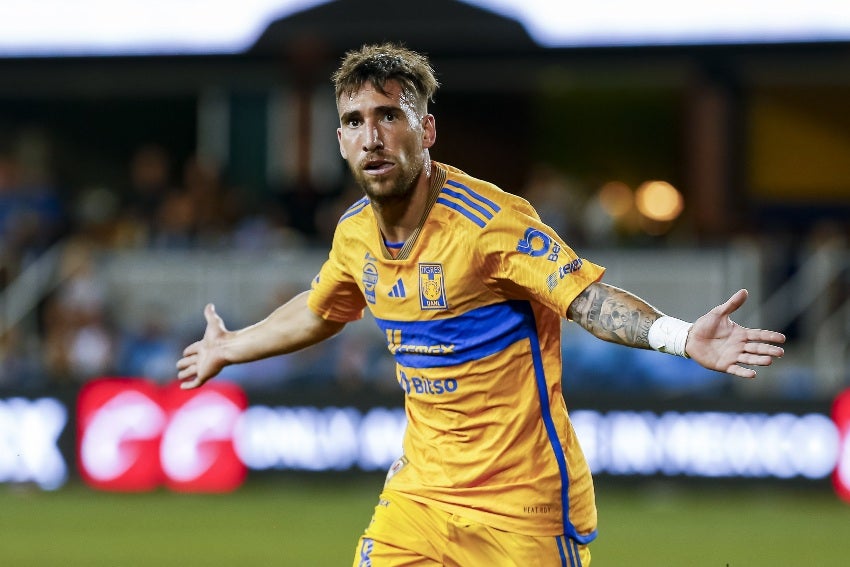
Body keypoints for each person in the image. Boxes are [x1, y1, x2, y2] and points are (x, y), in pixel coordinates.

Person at [176, 43, 786, 567]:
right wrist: (230, 346)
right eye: (356, 121)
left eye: (390, 116)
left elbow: (587, 300)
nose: (373, 136)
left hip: (522, 508)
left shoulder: (490, 222)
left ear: (427, 131)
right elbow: (320, 307)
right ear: (339, 140)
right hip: (419, 497)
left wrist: (679, 337)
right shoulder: (354, 232)